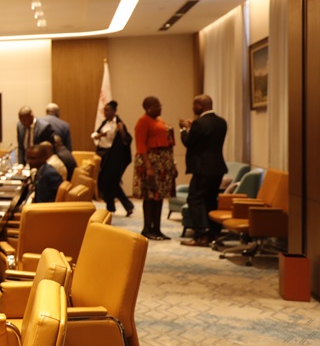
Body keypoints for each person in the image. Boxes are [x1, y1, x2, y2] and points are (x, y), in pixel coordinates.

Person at [179, 94, 228, 247]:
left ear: (201, 106)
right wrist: (192, 128)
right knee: (211, 199)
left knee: (195, 199)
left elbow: (189, 142)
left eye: (194, 105)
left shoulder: (199, 123)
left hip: (202, 168)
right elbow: (206, 140)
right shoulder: (221, 122)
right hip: (217, 168)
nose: (193, 108)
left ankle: (201, 235)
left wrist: (184, 129)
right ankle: (213, 233)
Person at [133, 96, 177, 240]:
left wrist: (172, 164)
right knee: (150, 196)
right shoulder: (143, 121)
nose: (160, 108)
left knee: (159, 196)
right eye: (157, 106)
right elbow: (141, 146)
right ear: (149, 108)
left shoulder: (159, 120)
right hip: (150, 163)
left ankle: (157, 229)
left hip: (162, 164)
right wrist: (148, 167)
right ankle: (147, 229)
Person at [92, 101, 134, 216]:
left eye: (107, 110)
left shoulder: (119, 123)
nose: (105, 112)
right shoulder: (105, 122)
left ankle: (118, 207)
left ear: (114, 111)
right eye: (104, 110)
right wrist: (99, 136)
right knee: (107, 183)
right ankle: (115, 206)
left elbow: (127, 140)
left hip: (113, 157)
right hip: (103, 155)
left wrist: (121, 131)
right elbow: (95, 134)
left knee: (111, 182)